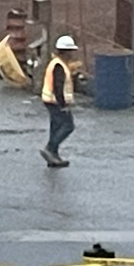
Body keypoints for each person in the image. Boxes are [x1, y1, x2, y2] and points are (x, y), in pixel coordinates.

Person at [39, 35, 79, 168]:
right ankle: (50, 148)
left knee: (56, 127)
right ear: (65, 51)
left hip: (50, 100)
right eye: (71, 50)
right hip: (55, 101)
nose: (72, 53)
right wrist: (63, 105)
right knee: (68, 126)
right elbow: (58, 86)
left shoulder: (57, 63)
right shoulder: (58, 66)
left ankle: (53, 157)